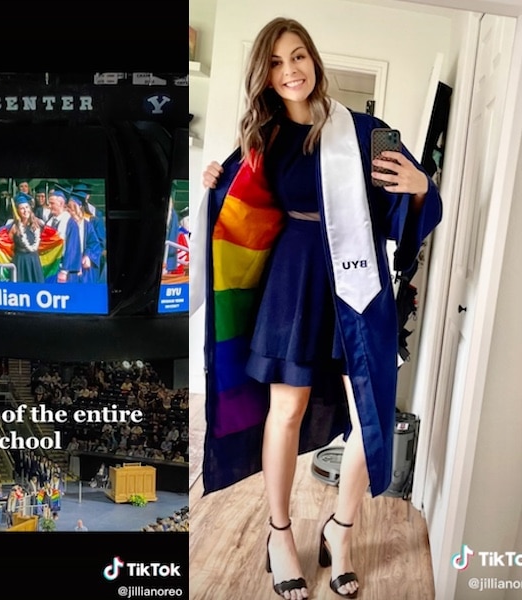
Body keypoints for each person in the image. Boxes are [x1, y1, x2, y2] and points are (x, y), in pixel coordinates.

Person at [191, 18, 441, 600]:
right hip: (296, 282)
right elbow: (229, 206)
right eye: (277, 63)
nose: (290, 70)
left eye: (298, 56)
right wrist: (211, 184)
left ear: (314, 60)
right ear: (266, 75)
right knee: (286, 410)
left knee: (369, 411)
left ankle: (341, 528)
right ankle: (280, 534)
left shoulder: (369, 131)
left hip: (357, 286)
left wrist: (422, 187)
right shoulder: (266, 138)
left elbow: (411, 196)